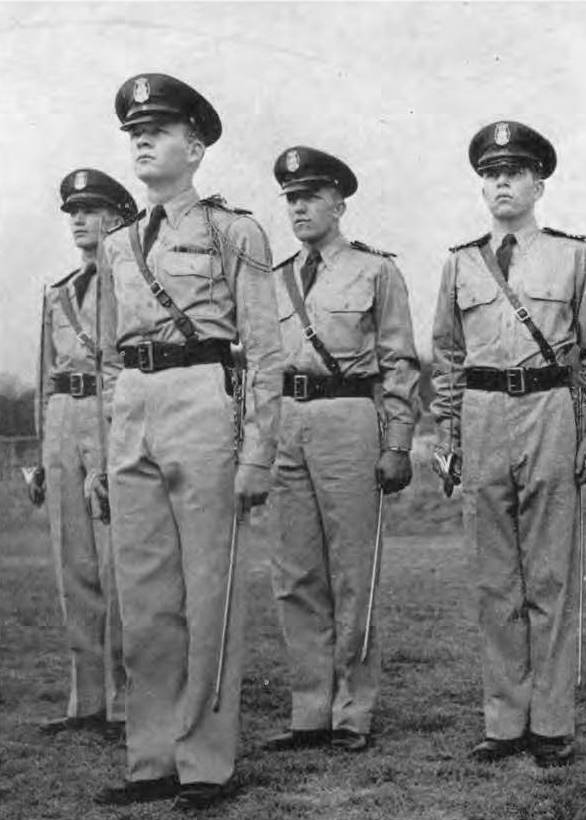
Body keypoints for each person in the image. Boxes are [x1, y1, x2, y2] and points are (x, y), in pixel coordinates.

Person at [93, 74, 283, 810]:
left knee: (209, 595)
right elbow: (111, 356)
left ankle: (205, 763)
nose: (141, 140)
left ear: (195, 146)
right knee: (142, 602)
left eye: (159, 130)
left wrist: (259, 452)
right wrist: (110, 442)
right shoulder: (116, 245)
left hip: (205, 399)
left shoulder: (235, 231)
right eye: (135, 131)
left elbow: (264, 353)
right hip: (134, 407)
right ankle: (150, 762)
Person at [430, 121, 586, 767]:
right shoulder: (460, 262)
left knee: (550, 576)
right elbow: (448, 358)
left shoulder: (572, 257)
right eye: (490, 173)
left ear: (539, 182)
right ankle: (504, 723)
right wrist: (446, 435)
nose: (501, 183)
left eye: (513, 172)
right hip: (482, 414)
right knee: (493, 578)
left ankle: (552, 724)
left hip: (548, 409)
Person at [265, 146, 420, 753]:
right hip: (286, 420)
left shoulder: (375, 271)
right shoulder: (274, 280)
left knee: (353, 571)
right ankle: (309, 710)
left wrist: (399, 442)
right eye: (291, 199)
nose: (299, 208)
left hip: (348, 416)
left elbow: (399, 361)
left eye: (311, 196)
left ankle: (352, 712)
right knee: (295, 572)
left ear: (339, 203)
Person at [31, 168, 136, 739]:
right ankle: (86, 701)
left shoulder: (127, 282)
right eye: (73, 211)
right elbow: (48, 373)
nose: (78, 220)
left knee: (116, 563)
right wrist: (42, 455)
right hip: (63, 423)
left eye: (91, 210)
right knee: (72, 563)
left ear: (118, 219)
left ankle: (124, 701)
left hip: (109, 414)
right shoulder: (58, 291)